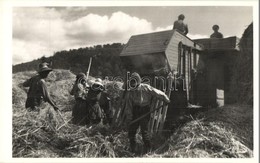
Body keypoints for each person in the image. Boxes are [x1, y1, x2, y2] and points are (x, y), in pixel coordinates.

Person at [124, 72, 170, 154]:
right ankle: (133, 150)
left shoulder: (146, 87)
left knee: (144, 131)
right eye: (133, 82)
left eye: (135, 82)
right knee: (132, 131)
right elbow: (129, 106)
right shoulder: (131, 92)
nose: (134, 84)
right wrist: (129, 118)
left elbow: (157, 92)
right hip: (136, 111)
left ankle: (148, 150)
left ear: (139, 81)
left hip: (145, 110)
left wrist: (165, 98)